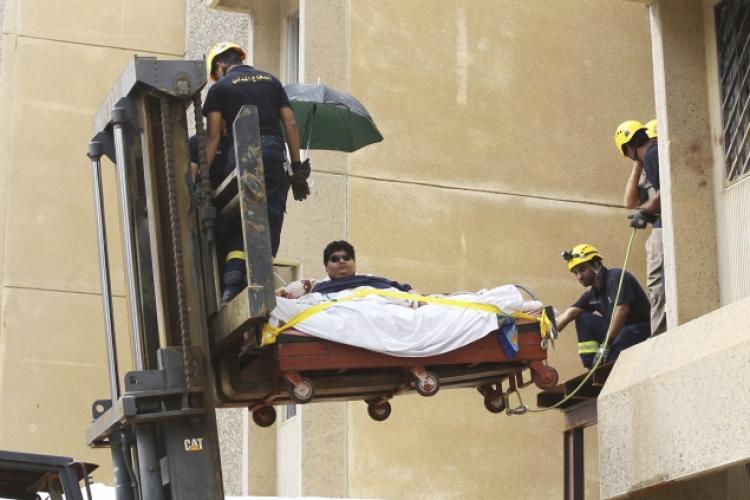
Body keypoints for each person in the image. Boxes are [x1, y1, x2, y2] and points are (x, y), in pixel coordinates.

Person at [202, 41, 311, 304]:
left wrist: (201, 179)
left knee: (240, 216)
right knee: (270, 214)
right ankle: (259, 280)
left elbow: (213, 136)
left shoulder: (220, 88)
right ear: (240, 58)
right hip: (273, 152)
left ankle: (232, 286)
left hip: (240, 155)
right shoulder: (271, 81)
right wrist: (297, 166)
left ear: (220, 66)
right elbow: (290, 123)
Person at [555, 243, 651, 368]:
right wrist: (544, 332)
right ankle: (592, 366)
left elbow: (623, 310)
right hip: (619, 333)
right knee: (582, 318)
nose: (579, 277)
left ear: (595, 265)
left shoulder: (615, 277)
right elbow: (569, 313)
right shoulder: (593, 294)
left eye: (582, 269)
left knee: (612, 357)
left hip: (639, 330)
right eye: (575, 273)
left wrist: (606, 344)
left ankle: (605, 363)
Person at [615, 119, 666, 335]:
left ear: (628, 147)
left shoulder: (653, 156)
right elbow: (630, 201)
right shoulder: (650, 158)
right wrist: (638, 164)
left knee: (657, 282)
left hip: (663, 228)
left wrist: (645, 212)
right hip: (663, 227)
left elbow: (666, 192)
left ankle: (659, 334)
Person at [276, 240, 413, 298]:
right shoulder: (315, 287)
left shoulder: (371, 281)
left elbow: (406, 291)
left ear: (354, 262)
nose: (341, 261)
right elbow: (280, 296)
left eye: (346, 257)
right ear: (326, 265)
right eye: (335, 259)